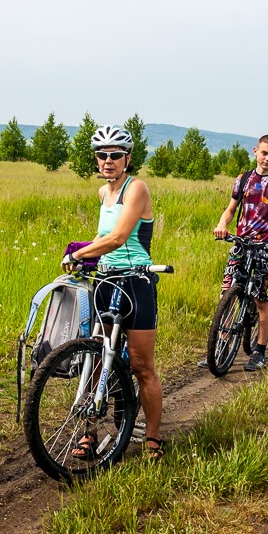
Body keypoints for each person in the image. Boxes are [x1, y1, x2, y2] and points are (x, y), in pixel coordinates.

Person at [60, 125, 165, 460]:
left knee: (140, 364)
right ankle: (89, 432)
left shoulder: (137, 189)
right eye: (102, 154)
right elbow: (103, 240)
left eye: (115, 155)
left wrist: (78, 254)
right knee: (95, 358)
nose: (108, 160)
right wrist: (90, 258)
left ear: (127, 158)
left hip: (136, 282)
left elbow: (119, 238)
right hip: (106, 280)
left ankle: (152, 438)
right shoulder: (103, 193)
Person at [204, 134, 268, 371]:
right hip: (241, 244)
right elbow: (230, 209)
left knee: (262, 300)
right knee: (227, 293)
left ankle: (259, 351)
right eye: (264, 153)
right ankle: (222, 347)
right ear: (255, 151)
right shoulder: (243, 179)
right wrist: (222, 225)